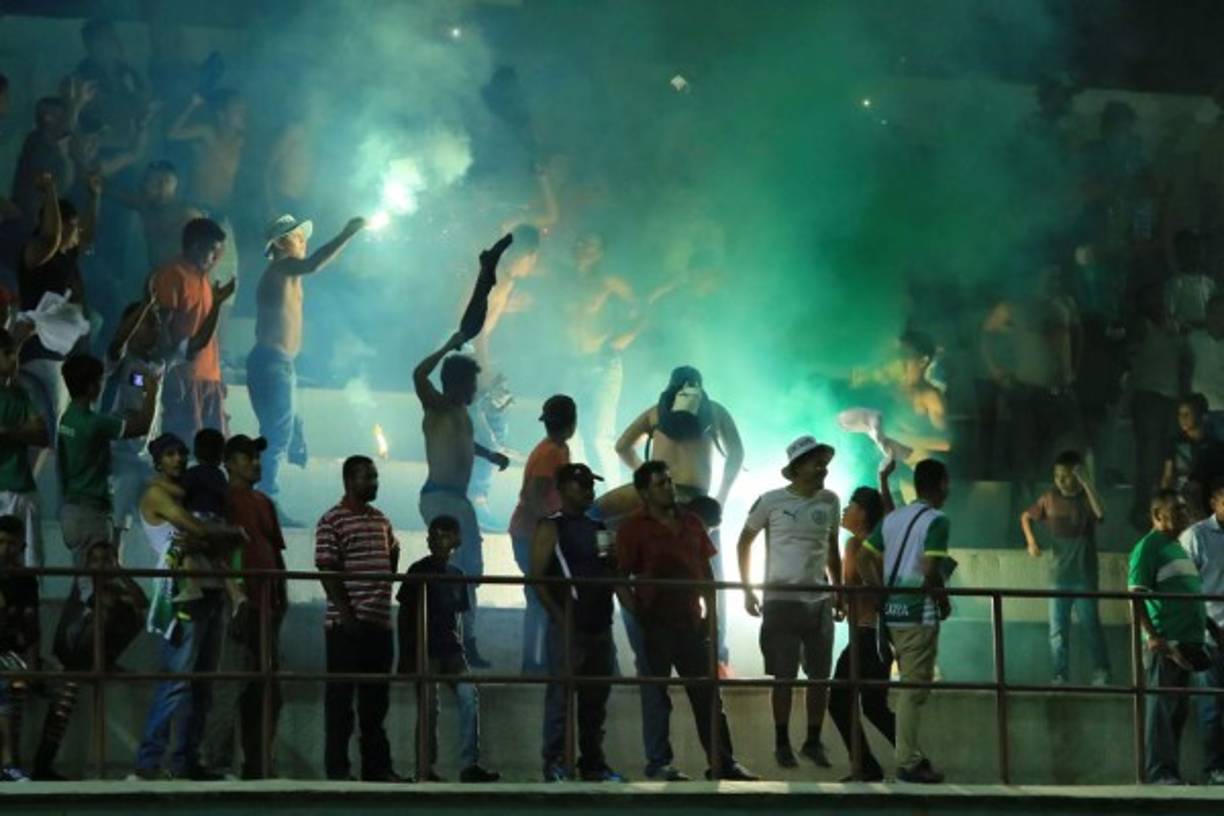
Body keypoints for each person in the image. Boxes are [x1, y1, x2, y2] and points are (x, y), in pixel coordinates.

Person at [615, 460, 757, 781]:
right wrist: (637, 614)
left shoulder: (691, 523)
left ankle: (722, 762)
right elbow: (620, 575)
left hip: (691, 622)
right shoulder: (633, 527)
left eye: (669, 481)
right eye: (660, 484)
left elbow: (707, 574)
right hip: (655, 622)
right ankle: (659, 763)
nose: (669, 487)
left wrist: (712, 616)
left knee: (707, 694)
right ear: (644, 492)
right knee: (656, 696)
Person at [133, 432, 246, 780]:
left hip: (207, 588)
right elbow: (198, 529)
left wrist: (212, 533)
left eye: (182, 453)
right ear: (158, 460)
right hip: (180, 593)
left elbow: (205, 532)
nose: (179, 459)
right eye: (170, 454)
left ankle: (186, 760)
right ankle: (149, 762)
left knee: (201, 682)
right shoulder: (156, 493)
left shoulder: (189, 492)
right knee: (177, 680)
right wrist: (223, 532)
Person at [615, 366, 743, 667]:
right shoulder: (715, 412)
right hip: (700, 501)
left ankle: (651, 649)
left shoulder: (655, 413)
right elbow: (736, 453)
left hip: (659, 500)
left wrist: (646, 479)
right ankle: (716, 651)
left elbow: (622, 446)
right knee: (711, 576)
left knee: (655, 571)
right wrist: (721, 496)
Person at [249, 213, 366, 516]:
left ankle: (265, 501)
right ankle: (267, 504)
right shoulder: (282, 268)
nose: (302, 241)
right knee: (275, 439)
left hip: (276, 363)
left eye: (303, 236)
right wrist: (347, 233)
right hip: (273, 362)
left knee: (277, 434)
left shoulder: (284, 273)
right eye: (294, 237)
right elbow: (314, 264)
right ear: (278, 243)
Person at [413, 309, 512, 668]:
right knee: (458, 573)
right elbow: (418, 374)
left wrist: (491, 456)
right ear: (456, 385)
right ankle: (456, 642)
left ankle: (461, 639)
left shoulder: (460, 414)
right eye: (471, 385)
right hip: (440, 496)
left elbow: (465, 447)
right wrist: (449, 345)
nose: (475, 390)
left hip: (456, 501)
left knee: (470, 571)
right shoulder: (438, 406)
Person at [737, 437, 842, 769]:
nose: (823, 468)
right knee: (783, 676)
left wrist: (838, 590)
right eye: (816, 463)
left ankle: (813, 739)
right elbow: (744, 542)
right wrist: (747, 589)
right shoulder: (770, 501)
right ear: (797, 468)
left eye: (824, 463)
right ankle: (781, 742)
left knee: (820, 677)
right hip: (781, 599)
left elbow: (832, 549)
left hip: (819, 599)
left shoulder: (830, 501)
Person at [106, 284, 232, 544]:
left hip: (147, 460)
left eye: (157, 323)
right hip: (120, 459)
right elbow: (119, 340)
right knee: (113, 531)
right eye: (150, 323)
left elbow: (197, 343)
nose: (158, 328)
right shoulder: (119, 360)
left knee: (169, 520)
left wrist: (216, 305)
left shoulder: (159, 362)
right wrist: (146, 305)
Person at [860, 458, 952, 784]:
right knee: (914, 688)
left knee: (910, 685)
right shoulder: (938, 521)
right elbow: (929, 570)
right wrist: (942, 599)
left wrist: (880, 591)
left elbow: (864, 556)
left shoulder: (894, 518)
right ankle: (908, 761)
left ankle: (909, 756)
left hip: (893, 615)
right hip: (919, 614)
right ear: (942, 484)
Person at [529, 462, 624, 782]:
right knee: (561, 697)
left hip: (600, 625)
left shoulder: (599, 528)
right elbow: (537, 578)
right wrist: (560, 618)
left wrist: (614, 566)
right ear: (563, 488)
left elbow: (612, 572)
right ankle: (553, 762)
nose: (588, 490)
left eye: (590, 485)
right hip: (570, 627)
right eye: (581, 484)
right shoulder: (550, 525)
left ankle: (592, 763)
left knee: (595, 702)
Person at [200, 434, 288, 780]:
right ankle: (217, 763)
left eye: (256, 457)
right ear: (230, 462)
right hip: (241, 606)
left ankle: (258, 764)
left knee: (266, 692)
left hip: (269, 607)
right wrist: (234, 593)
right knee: (232, 685)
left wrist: (282, 596)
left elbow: (274, 550)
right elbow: (216, 549)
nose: (256, 462)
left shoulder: (264, 503)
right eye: (249, 457)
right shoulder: (222, 501)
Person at [315, 455, 404, 782]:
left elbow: (393, 552)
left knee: (375, 703)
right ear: (350, 480)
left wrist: (381, 589)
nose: (375, 483)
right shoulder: (332, 520)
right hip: (347, 626)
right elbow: (327, 570)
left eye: (376, 477)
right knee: (341, 702)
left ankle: (376, 768)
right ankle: (338, 770)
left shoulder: (381, 520)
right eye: (369, 477)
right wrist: (347, 614)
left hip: (379, 625)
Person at [398, 515, 500, 783]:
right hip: (427, 649)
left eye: (444, 535)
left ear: (456, 539)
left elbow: (459, 618)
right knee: (429, 706)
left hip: (451, 651)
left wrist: (464, 650)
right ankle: (424, 769)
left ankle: (468, 766)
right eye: (434, 535)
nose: (437, 540)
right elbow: (405, 616)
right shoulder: (417, 570)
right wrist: (408, 656)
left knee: (469, 697)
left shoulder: (457, 575)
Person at [34, 538, 145, 780]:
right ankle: (42, 766)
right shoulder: (84, 581)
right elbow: (102, 603)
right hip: (72, 651)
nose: (101, 566)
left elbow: (141, 601)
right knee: (107, 613)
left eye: (106, 560)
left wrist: (121, 574)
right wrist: (117, 595)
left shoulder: (113, 584)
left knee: (133, 615)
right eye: (95, 561)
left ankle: (104, 660)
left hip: (92, 650)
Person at [1129, 489, 1210, 785]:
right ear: (1157, 516)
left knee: (1176, 711)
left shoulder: (1178, 548)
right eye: (1177, 511)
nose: (1185, 515)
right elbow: (1136, 596)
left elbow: (1191, 595)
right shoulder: (1148, 547)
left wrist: (1211, 628)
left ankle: (1169, 772)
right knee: (1161, 710)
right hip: (1166, 643)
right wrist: (1153, 637)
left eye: (1185, 510)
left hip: (1187, 642)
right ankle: (1158, 773)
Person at [18, 173, 99, 467]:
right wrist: (50, 189)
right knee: (53, 427)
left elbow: (86, 237)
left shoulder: (67, 258)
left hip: (56, 355)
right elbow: (51, 237)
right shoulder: (37, 253)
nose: (76, 232)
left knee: (46, 433)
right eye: (71, 226)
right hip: (38, 352)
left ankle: (24, 489)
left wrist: (94, 196)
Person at [57, 354, 158, 581]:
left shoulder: (67, 419)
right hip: (91, 513)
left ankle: (72, 617)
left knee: (84, 582)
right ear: (92, 386)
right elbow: (140, 427)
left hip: (71, 510)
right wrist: (152, 390)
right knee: (98, 584)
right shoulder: (93, 422)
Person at [828, 464, 897, 782]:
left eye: (851, 505)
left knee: (840, 701)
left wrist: (835, 594)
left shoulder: (856, 545)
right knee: (873, 705)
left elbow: (849, 587)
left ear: (864, 513)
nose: (845, 509)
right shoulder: (883, 542)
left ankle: (869, 765)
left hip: (867, 635)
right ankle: (909, 759)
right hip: (880, 635)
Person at [1021, 450, 1110, 685]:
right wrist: (1031, 541)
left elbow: (1101, 512)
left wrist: (1087, 483)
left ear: (1078, 476)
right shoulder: (1049, 498)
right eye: (1057, 475)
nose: (1060, 480)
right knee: (1058, 630)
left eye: (1066, 476)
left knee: (1091, 626)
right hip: (1058, 575)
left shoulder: (1086, 499)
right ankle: (1060, 674)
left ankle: (1101, 671)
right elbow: (1026, 517)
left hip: (1084, 575)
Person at [508, 394, 575, 674]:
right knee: (540, 596)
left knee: (541, 595)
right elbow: (535, 496)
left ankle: (539, 660)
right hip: (531, 534)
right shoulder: (551, 453)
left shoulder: (555, 448)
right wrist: (551, 526)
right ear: (572, 423)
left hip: (531, 531)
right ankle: (533, 662)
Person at [149, 217, 230, 444]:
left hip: (208, 376)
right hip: (185, 376)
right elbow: (161, 326)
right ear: (195, 247)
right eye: (212, 251)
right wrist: (171, 372)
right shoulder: (173, 274)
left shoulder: (203, 278)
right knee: (183, 445)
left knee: (211, 449)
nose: (215, 257)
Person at [166, 90, 246, 290]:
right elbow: (171, 133)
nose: (244, 115)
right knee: (192, 270)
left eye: (244, 111)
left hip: (221, 214)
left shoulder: (241, 142)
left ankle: (212, 314)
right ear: (222, 115)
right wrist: (192, 105)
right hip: (198, 211)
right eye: (238, 111)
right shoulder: (207, 133)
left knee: (226, 275)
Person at [1178, 481, 1224, 786]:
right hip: (1211, 635)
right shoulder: (1196, 536)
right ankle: (1214, 769)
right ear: (1214, 502)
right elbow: (1183, 589)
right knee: (1211, 706)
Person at [0, 328, 49, 571]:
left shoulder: (19, 394)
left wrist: (8, 432)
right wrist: (22, 429)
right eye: (7, 353)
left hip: (24, 490)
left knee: (30, 565)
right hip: (3, 492)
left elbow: (41, 435)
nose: (14, 359)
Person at [109, 161, 205, 271]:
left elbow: (214, 245)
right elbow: (107, 189)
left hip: (183, 280)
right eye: (152, 181)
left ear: (171, 185)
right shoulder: (145, 206)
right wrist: (127, 157)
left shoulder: (188, 215)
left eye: (167, 181)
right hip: (158, 277)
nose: (162, 187)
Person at [0, 514, 38, 782]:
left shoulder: (25, 580)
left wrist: (34, 664)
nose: (6, 549)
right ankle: (8, 762)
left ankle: (11, 762)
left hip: (10, 652)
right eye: (1, 542)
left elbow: (33, 626)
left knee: (18, 685)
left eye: (13, 544)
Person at [1162, 394, 1224, 520]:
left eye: (1187, 414)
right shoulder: (1175, 444)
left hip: (1208, 504)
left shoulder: (1216, 446)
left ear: (1201, 415)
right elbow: (1168, 476)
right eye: (1180, 414)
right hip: (1183, 502)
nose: (1182, 419)